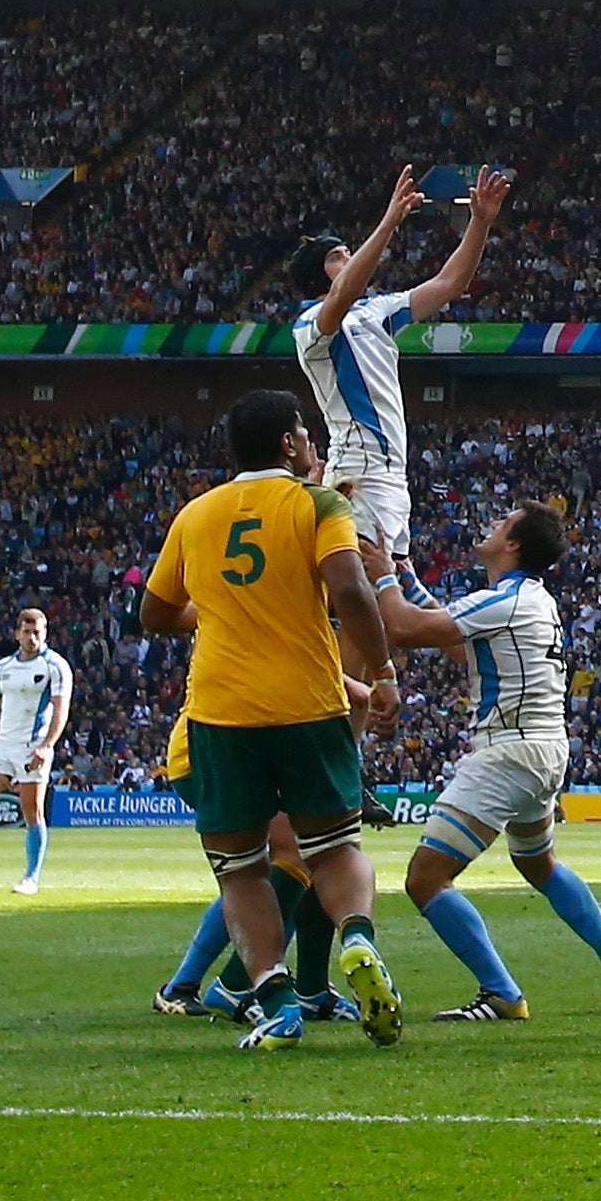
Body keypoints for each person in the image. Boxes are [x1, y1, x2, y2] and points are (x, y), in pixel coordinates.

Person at [133, 392, 405, 1049]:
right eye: (305, 433)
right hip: (307, 705)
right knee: (333, 850)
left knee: (241, 870)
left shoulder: (196, 515)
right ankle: (359, 942)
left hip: (220, 713)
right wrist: (384, 670)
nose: (311, 442)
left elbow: (154, 615)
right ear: (289, 443)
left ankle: (277, 1002)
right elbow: (349, 587)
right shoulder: (317, 506)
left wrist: (224, 611)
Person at [361, 496, 601, 1021]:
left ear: (513, 544)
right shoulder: (527, 599)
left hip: (508, 752)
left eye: (501, 523)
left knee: (425, 879)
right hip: (546, 748)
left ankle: (501, 993)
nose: (490, 525)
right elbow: (461, 642)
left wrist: (382, 576)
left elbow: (405, 630)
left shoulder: (507, 600)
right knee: (538, 864)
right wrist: (404, 576)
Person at [299, 164, 506, 583]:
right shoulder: (309, 326)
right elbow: (342, 295)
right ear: (317, 273)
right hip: (358, 470)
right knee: (370, 595)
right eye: (338, 256)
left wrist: (479, 224)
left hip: (393, 473)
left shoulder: (376, 311)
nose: (350, 258)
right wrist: (390, 220)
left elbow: (449, 283)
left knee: (393, 595)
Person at [149, 708, 333, 1021]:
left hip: (250, 742)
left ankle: (306, 991)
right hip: (217, 747)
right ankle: (233, 986)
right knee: (289, 857)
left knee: (295, 861)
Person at [0, 608, 72, 895]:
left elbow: (61, 710)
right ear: (17, 633)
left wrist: (46, 747)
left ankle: (31, 878)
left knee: (32, 812)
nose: (32, 637)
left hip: (32, 747)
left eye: (37, 632)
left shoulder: (55, 666)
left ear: (45, 633)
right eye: (27, 631)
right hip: (1, 747)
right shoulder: (3, 667)